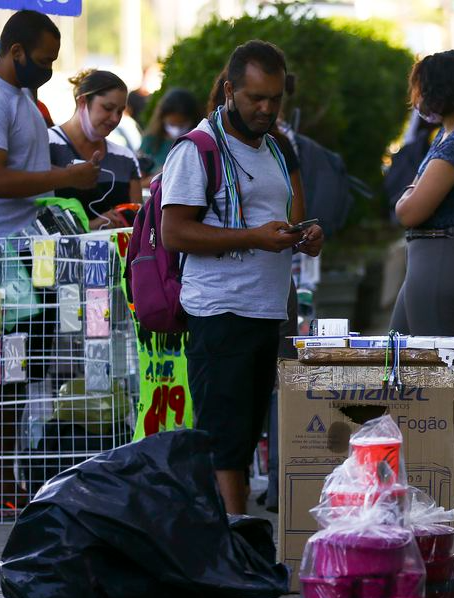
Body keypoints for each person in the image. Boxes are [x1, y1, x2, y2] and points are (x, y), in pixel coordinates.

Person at [160, 40, 323, 516]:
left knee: (248, 431)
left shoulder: (272, 146)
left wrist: (304, 234)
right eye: (255, 97)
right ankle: (231, 536)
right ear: (230, 90)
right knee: (224, 439)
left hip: (264, 309)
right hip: (220, 310)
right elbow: (175, 231)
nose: (266, 108)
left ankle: (234, 535)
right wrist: (253, 236)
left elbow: (278, 218)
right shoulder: (198, 149)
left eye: (275, 98)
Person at [0, 10, 100, 520]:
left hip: (21, 255)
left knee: (11, 375)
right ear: (14, 51)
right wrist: (66, 177)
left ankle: (0, 484)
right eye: (43, 59)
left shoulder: (20, 99)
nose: (50, 68)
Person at [391, 49, 454, 337]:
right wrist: (412, 192)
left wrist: (407, 196)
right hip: (432, 256)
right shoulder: (449, 134)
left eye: (421, 88)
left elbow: (410, 212)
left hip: (442, 255)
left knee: (438, 370)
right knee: (403, 358)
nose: (416, 97)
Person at [49, 69, 142, 228]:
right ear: (82, 102)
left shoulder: (125, 158)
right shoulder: (46, 144)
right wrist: (91, 226)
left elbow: (140, 224)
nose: (115, 118)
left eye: (120, 111)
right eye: (107, 108)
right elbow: (36, 215)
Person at [139, 87, 201, 183]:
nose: (176, 130)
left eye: (182, 125)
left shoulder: (197, 143)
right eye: (172, 124)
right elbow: (137, 183)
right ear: (162, 118)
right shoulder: (150, 141)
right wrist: (159, 177)